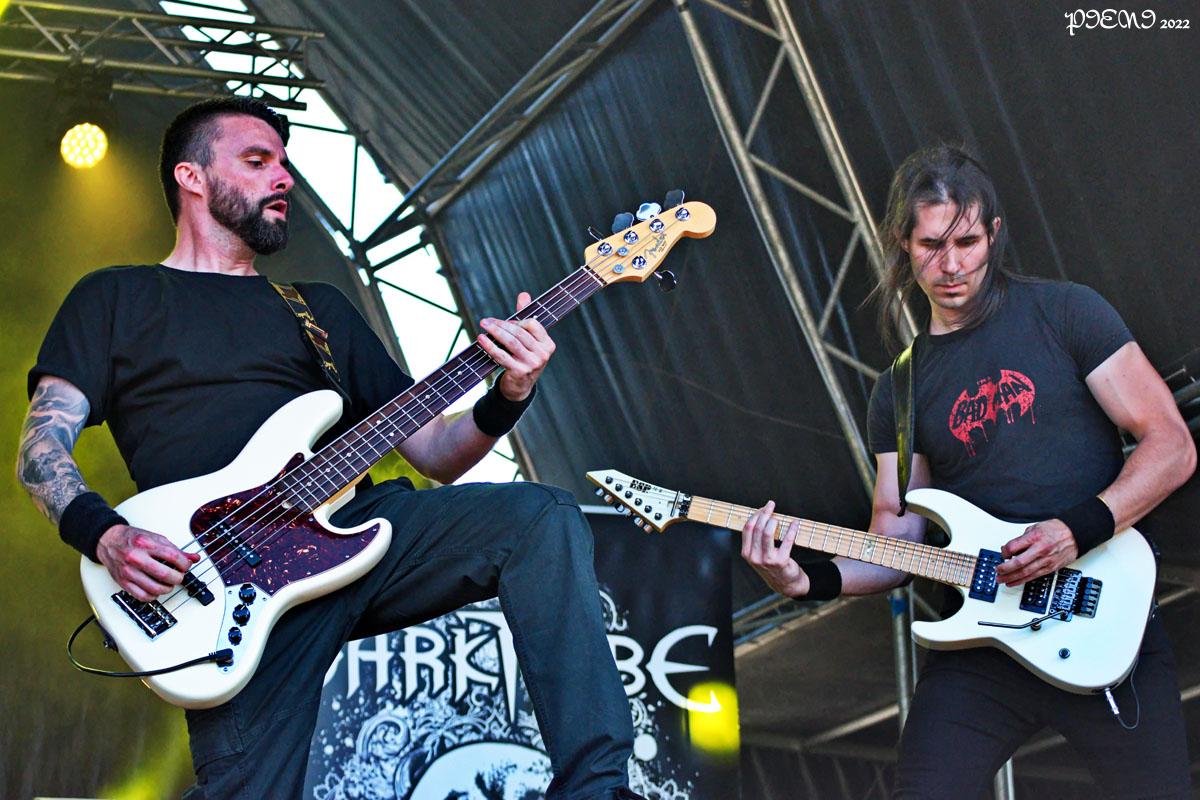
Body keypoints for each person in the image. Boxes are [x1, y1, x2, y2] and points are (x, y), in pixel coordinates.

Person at [18, 97, 639, 800]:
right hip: (217, 585)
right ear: (191, 177)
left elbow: (436, 453)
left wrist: (509, 394)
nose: (283, 177)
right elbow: (41, 450)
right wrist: (106, 536)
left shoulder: (318, 311)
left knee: (539, 518)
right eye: (258, 161)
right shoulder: (115, 298)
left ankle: (595, 789)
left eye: (285, 163)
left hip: (350, 534)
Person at [739, 144, 1196, 798]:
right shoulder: (898, 392)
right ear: (902, 244)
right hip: (982, 644)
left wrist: (1076, 530)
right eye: (931, 245)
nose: (951, 265)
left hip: (1102, 617)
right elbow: (895, 542)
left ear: (994, 234)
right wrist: (804, 580)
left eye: (967, 242)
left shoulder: (1067, 313)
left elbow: (1172, 446)